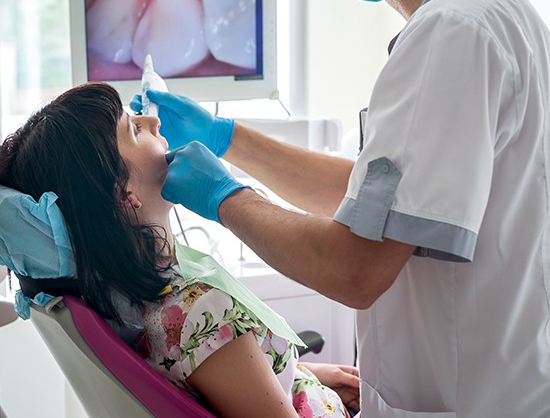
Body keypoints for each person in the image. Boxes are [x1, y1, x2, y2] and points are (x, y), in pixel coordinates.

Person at [134, 0, 550, 416]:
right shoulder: (505, 13)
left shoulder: (450, 35)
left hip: (469, 395)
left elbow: (356, 269)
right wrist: (227, 139)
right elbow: (381, 205)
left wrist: (225, 197)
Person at [0, 82, 360, 418]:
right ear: (123, 195)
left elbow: (211, 378)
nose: (153, 120)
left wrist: (303, 376)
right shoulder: (201, 312)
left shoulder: (127, 304)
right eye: (134, 129)